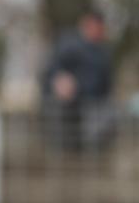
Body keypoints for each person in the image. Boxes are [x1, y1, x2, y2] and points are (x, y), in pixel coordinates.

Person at [41, 10, 115, 152]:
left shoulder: (103, 53)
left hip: (94, 105)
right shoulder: (68, 45)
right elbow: (52, 70)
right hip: (70, 102)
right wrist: (60, 80)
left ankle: (89, 152)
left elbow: (107, 84)